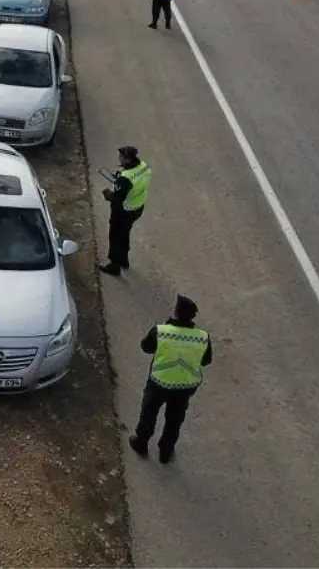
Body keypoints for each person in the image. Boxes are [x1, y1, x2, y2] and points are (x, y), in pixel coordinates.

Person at [129, 294, 213, 464]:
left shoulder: (161, 331)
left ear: (176, 312)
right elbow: (206, 360)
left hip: (159, 382)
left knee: (149, 411)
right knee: (175, 418)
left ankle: (142, 442)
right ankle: (166, 451)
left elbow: (146, 347)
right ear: (193, 317)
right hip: (185, 386)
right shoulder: (202, 337)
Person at [98, 145, 151, 276]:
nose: (119, 159)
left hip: (124, 211)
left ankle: (114, 265)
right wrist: (121, 177)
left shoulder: (125, 179)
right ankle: (123, 260)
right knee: (125, 233)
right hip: (138, 207)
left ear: (127, 159)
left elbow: (117, 198)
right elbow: (135, 181)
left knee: (116, 236)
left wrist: (108, 194)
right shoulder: (143, 166)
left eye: (121, 157)